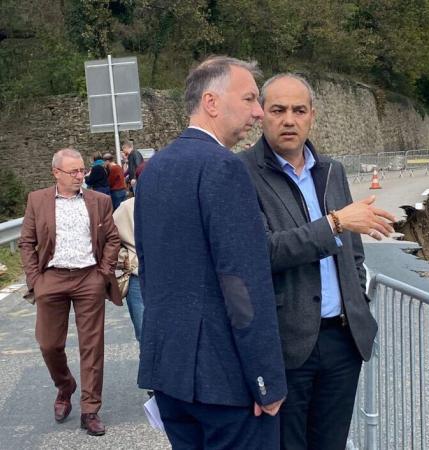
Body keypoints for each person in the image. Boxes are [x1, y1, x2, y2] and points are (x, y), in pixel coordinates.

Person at [135, 56, 287, 449]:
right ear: (212, 102)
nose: (258, 112)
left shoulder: (153, 170)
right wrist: (266, 381)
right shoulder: (223, 168)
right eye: (250, 98)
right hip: (225, 384)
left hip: (169, 373)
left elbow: (151, 273)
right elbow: (242, 286)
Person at [240, 73, 395, 450]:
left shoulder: (332, 171)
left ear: (312, 116)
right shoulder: (243, 172)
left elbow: (353, 253)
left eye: (298, 110)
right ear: (262, 114)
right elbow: (264, 252)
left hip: (342, 341)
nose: (288, 120)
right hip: (287, 344)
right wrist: (336, 223)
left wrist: (356, 300)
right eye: (278, 110)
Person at [18, 148, 122, 436]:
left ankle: (90, 410)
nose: (80, 176)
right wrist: (35, 280)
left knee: (92, 346)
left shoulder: (99, 201)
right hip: (51, 278)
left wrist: (103, 273)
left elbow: (112, 238)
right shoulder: (37, 200)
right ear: (56, 173)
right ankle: (65, 386)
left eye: (82, 170)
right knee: (49, 344)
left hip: (89, 277)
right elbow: (26, 242)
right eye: (73, 171)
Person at [112, 164, 144, 342]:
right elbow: (108, 239)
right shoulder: (127, 208)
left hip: (164, 279)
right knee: (145, 336)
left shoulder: (172, 204)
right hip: (138, 277)